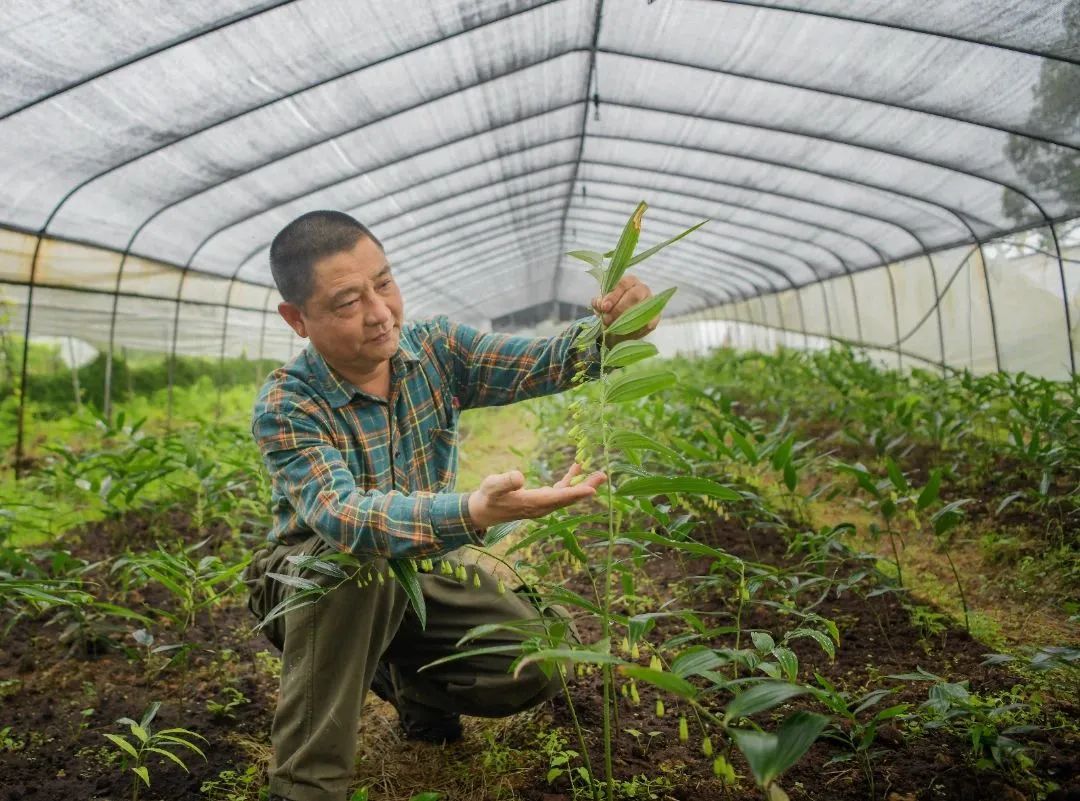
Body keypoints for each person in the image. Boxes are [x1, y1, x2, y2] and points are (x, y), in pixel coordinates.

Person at [243, 210, 661, 801]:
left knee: (533, 659)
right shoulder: (290, 403)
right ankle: (304, 787)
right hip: (306, 580)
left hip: (414, 572)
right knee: (355, 571)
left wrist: (618, 328)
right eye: (346, 302)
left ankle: (407, 683)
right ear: (297, 319)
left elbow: (545, 362)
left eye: (384, 283)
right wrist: (471, 513)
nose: (380, 312)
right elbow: (342, 518)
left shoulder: (435, 350)